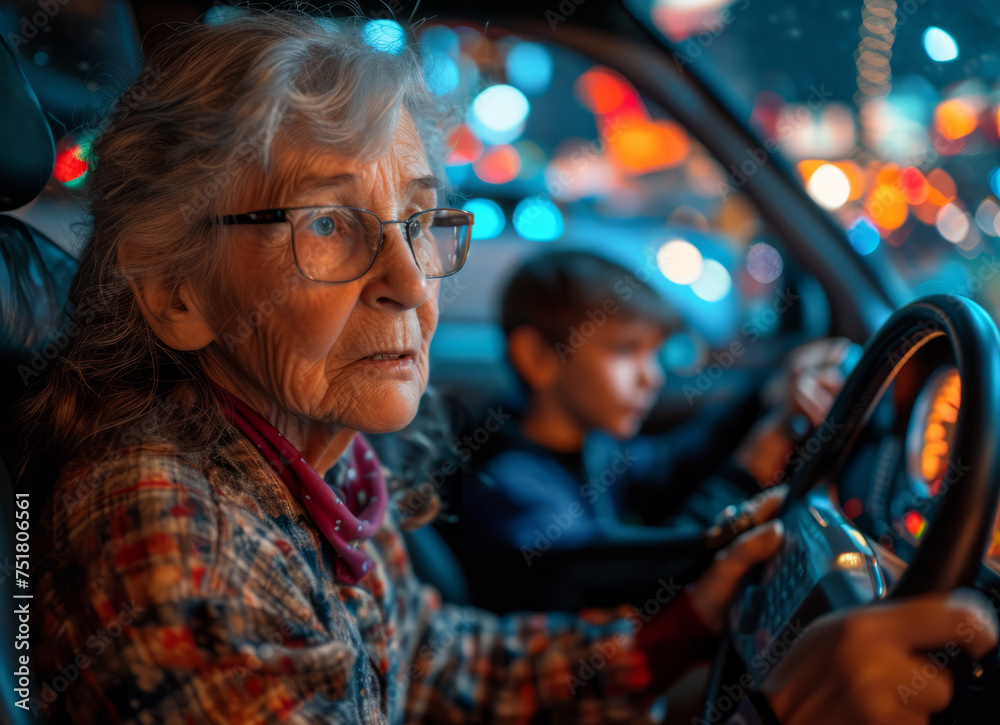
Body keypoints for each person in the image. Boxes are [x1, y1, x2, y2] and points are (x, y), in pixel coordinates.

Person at [14, 11, 996, 725]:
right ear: (177, 292)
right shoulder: (164, 525)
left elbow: (433, 662)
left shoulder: (318, 460)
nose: (411, 282)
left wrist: (679, 629)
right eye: (325, 224)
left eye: (418, 219)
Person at [446, 250, 852, 612]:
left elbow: (676, 461)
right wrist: (748, 471)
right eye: (625, 351)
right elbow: (632, 570)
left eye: (654, 353)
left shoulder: (591, 446)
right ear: (537, 357)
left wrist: (768, 392)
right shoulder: (505, 483)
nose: (652, 377)